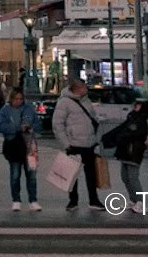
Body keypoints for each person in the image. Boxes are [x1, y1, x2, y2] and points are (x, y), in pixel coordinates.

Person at [53, 78, 103, 210]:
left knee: (91, 174)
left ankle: (93, 200)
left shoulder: (85, 100)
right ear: (77, 88)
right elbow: (57, 124)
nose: (86, 89)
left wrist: (96, 138)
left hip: (89, 143)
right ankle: (73, 201)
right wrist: (66, 143)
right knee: (72, 174)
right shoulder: (64, 102)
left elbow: (93, 118)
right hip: (74, 143)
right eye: (83, 87)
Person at [0, 86, 42, 211]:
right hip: (14, 145)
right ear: (11, 99)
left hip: (29, 146)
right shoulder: (5, 110)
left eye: (21, 99)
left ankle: (33, 200)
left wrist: (32, 128)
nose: (18, 101)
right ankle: (16, 200)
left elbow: (38, 124)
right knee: (15, 174)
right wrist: (16, 128)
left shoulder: (29, 109)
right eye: (16, 99)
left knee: (31, 175)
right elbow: (0, 126)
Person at [103, 98, 148, 205]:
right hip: (125, 152)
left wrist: (119, 137)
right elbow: (120, 129)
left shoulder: (140, 121)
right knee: (125, 177)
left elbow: (131, 134)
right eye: (135, 104)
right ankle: (133, 200)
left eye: (139, 105)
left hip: (133, 152)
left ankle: (140, 202)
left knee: (132, 177)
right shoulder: (131, 118)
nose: (136, 106)